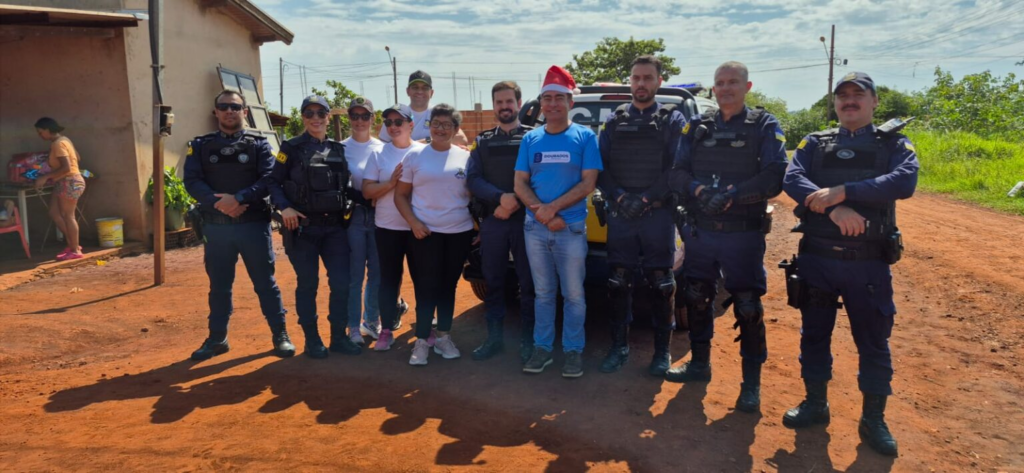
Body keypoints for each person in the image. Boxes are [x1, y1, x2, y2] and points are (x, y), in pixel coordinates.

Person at [781, 72, 918, 457]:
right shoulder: (814, 142)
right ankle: (815, 403)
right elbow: (792, 178)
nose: (849, 101)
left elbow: (904, 181)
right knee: (814, 334)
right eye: (842, 96)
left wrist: (845, 190)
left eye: (858, 95)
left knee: (873, 341)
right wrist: (836, 208)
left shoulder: (893, 144)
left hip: (867, 263)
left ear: (875, 102)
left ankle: (873, 418)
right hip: (818, 258)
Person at [665, 61, 788, 415]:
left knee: (748, 306)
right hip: (702, 231)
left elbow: (774, 176)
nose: (726, 88)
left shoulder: (764, 125)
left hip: (742, 234)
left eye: (733, 82)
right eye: (720, 83)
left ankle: (751, 384)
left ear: (747, 86)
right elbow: (676, 173)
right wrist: (700, 190)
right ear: (713, 89)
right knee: (697, 296)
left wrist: (734, 195)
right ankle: (699, 365)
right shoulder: (697, 126)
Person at [183, 90, 294, 361]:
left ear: (245, 111)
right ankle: (217, 339)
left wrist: (240, 199)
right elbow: (192, 181)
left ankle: (280, 335)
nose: (229, 111)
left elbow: (269, 177)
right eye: (224, 106)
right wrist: (219, 203)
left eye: (235, 106)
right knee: (219, 285)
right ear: (216, 112)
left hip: (252, 225)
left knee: (265, 284)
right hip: (217, 227)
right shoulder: (200, 145)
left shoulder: (258, 144)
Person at [596, 55, 687, 377]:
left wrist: (647, 198)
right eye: (636, 78)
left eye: (647, 78)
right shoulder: (615, 120)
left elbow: (676, 168)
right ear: (630, 82)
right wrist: (620, 196)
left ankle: (662, 353)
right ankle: (619, 347)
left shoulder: (672, 119)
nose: (641, 84)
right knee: (618, 282)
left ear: (658, 81)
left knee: (662, 284)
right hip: (621, 213)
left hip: (656, 214)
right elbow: (599, 168)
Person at [514, 66, 602, 378]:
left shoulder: (585, 137)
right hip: (535, 229)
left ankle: (574, 351)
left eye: (558, 98)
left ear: (570, 103)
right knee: (543, 293)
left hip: (571, 228)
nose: (552, 104)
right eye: (547, 98)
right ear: (541, 103)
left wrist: (552, 210)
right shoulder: (531, 139)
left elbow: (588, 183)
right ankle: (543, 348)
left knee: (574, 293)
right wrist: (542, 213)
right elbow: (520, 183)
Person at [265, 94, 361, 359]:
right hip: (303, 228)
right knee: (308, 283)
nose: (316, 118)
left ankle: (338, 337)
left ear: (329, 117)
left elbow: (347, 186)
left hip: (335, 229)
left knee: (341, 284)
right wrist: (284, 207)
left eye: (321, 113)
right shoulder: (291, 148)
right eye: (310, 113)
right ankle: (312, 339)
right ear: (303, 117)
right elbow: (273, 182)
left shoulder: (338, 149)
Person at [394, 104, 474, 366]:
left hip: (458, 232)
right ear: (428, 126)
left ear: (455, 129)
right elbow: (401, 195)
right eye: (436, 123)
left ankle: (444, 337)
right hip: (424, 233)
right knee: (426, 287)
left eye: (447, 125)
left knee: (448, 287)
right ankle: (420, 341)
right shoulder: (415, 157)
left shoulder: (466, 158)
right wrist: (413, 223)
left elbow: (472, 196)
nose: (440, 129)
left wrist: (477, 225)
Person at [466, 81, 536, 363]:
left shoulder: (534, 138)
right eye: (499, 102)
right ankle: (494, 338)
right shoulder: (482, 142)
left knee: (529, 283)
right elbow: (473, 179)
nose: (504, 107)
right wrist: (500, 199)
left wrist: (514, 202)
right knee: (493, 280)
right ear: (494, 106)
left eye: (509, 101)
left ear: (519, 104)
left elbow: (541, 176)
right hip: (494, 220)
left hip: (527, 221)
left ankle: (529, 341)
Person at [362, 104, 426, 351]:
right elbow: (368, 191)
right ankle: (386, 329)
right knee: (389, 280)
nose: (393, 126)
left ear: (411, 124)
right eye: (388, 122)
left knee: (423, 278)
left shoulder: (424, 152)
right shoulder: (379, 154)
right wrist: (391, 183)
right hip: (387, 227)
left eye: (398, 122)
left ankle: (424, 327)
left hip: (419, 227)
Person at [341, 96, 385, 346]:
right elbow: (340, 185)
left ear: (372, 118)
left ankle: (372, 320)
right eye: (355, 116)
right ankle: (353, 327)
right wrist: (365, 198)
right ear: (349, 118)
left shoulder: (381, 147)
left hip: (381, 216)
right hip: (354, 216)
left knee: (377, 273)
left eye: (364, 116)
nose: (359, 121)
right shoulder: (339, 147)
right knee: (355, 274)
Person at [33, 117, 85, 261]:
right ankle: (72, 244)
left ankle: (75, 250)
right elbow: (77, 158)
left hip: (69, 181)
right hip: (64, 181)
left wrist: (45, 177)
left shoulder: (58, 144)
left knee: (69, 216)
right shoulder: (65, 140)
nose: (40, 135)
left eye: (40, 132)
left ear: (48, 130)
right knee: (54, 212)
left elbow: (67, 167)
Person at [379, 70, 469, 147]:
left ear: (432, 92)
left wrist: (426, 141)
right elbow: (383, 145)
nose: (419, 91)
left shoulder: (439, 113)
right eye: (415, 87)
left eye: (425, 88)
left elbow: (461, 139)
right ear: (408, 91)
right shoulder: (398, 114)